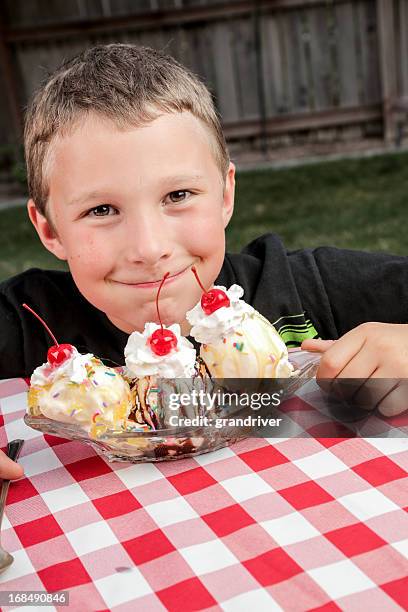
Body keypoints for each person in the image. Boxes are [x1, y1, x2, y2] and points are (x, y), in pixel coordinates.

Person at [1, 43, 407, 478]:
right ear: (48, 229)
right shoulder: (23, 322)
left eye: (178, 196)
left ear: (225, 195)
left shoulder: (308, 286)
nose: (149, 247)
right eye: (101, 210)